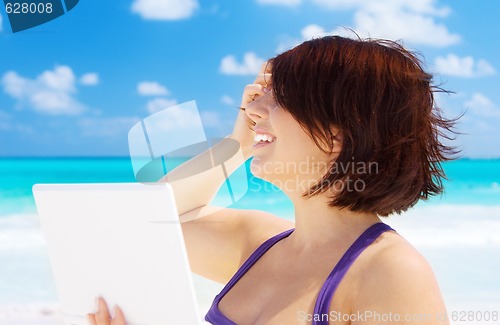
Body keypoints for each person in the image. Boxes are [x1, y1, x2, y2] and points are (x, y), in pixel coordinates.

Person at [88, 35, 457, 325]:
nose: (249, 108)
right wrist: (238, 144)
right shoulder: (257, 243)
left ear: (337, 132)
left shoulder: (391, 273)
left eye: (278, 97)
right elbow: (141, 224)